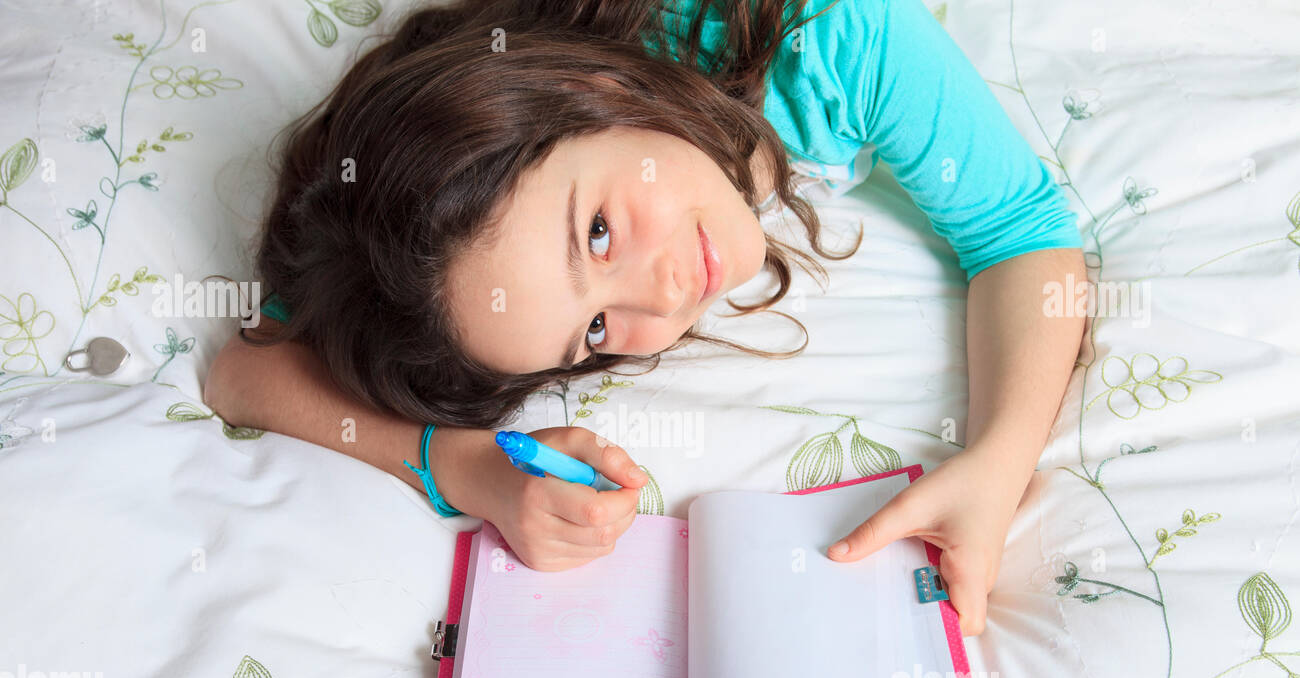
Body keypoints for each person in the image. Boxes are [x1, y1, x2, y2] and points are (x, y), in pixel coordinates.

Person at [204, 0, 1088, 636]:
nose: (661, 299)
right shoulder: (433, 222)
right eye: (594, 331)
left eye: (596, 234)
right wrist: (461, 465)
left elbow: (1023, 233)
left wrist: (998, 460)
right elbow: (246, 372)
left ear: (592, 92)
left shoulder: (836, 34)